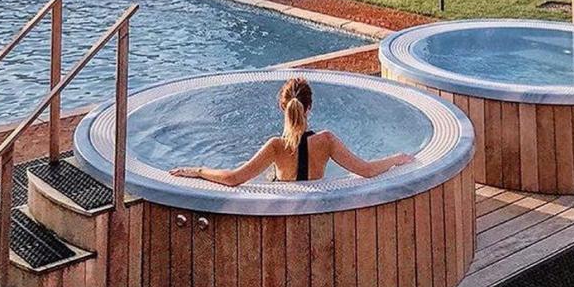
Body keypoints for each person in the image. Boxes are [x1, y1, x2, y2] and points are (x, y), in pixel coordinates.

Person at [169, 76, 414, 186]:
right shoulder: (327, 141)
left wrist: (199, 171)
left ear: (281, 107)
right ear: (310, 107)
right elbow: (367, 170)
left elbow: (233, 178)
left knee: (264, 174)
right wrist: (396, 158)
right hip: (315, 208)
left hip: (281, 210)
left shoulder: (275, 146)